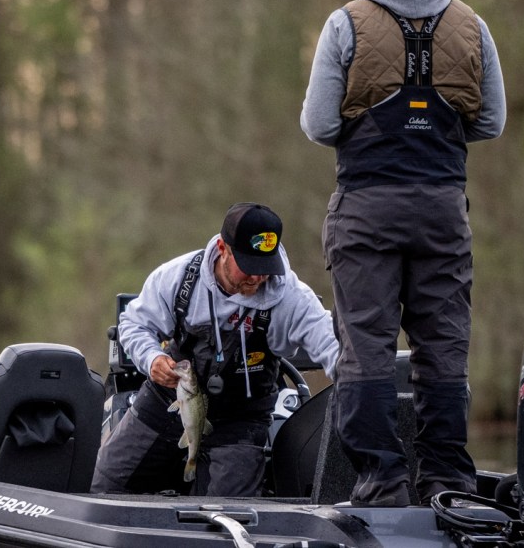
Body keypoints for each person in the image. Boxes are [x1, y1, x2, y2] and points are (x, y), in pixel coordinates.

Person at [300, 0, 506, 507]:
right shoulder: (472, 24)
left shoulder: (345, 24)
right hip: (442, 209)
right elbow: (491, 121)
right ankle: (447, 485)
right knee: (444, 349)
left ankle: (382, 486)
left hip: (367, 209)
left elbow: (318, 125)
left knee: (365, 347)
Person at [91, 202, 339, 496]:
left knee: (228, 514)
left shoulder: (292, 298)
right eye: (248, 267)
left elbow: (332, 345)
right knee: (103, 487)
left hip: (241, 420)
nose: (257, 278)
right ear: (223, 248)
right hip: (168, 401)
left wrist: (359, 386)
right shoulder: (178, 277)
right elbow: (134, 324)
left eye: (265, 268)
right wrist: (151, 358)